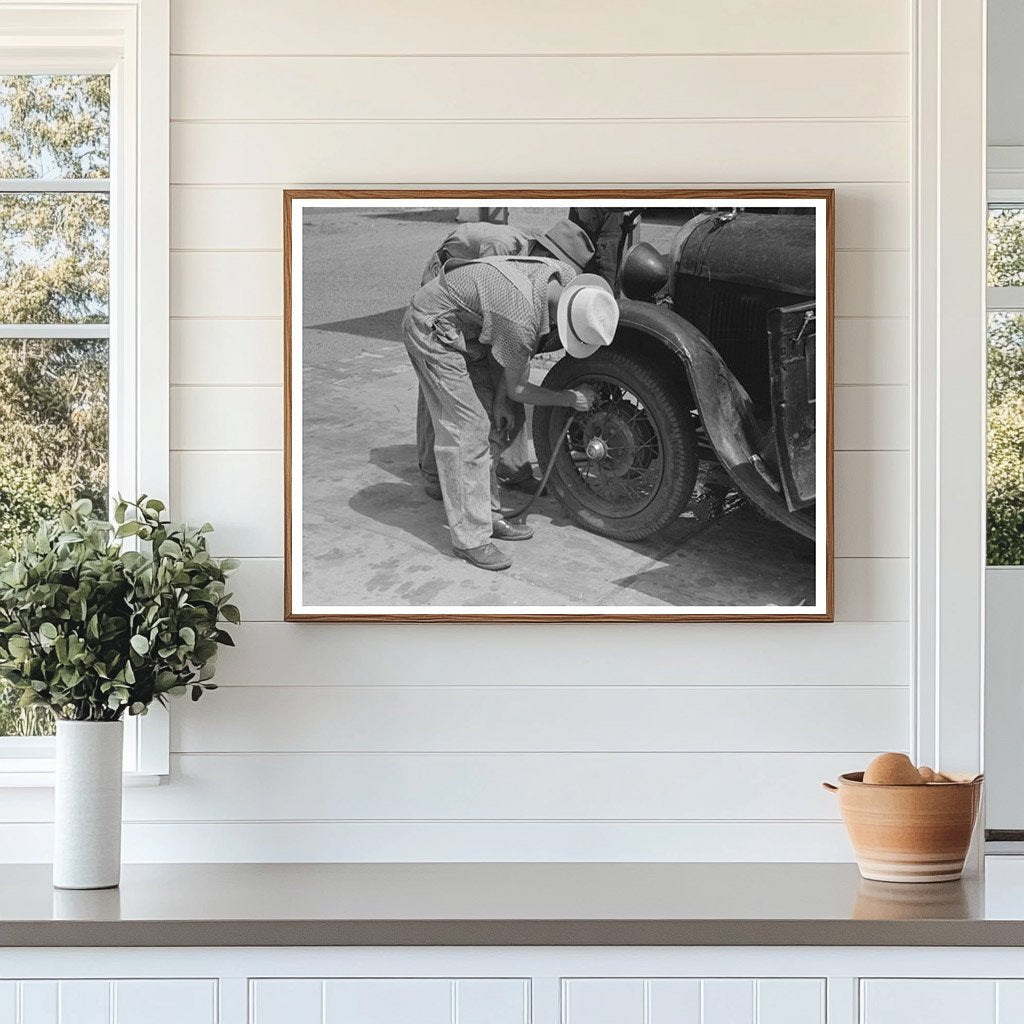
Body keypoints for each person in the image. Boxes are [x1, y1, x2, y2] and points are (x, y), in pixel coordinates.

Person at [403, 257, 619, 571]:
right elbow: (519, 387)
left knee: (492, 421)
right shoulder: (522, 320)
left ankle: (487, 515)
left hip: (469, 330)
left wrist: (501, 399)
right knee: (469, 427)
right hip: (432, 328)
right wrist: (569, 398)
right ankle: (470, 539)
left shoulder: (563, 276)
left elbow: (508, 359)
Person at [417, 218, 595, 497]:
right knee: (442, 385)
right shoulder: (501, 249)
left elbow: (516, 362)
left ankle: (513, 469)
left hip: (485, 305)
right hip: (442, 289)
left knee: (511, 371)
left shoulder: (538, 277)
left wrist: (510, 380)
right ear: (546, 254)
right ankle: (433, 472)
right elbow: (501, 323)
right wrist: (564, 397)